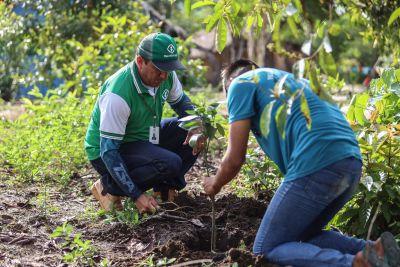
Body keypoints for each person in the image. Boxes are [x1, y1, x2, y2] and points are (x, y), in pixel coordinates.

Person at [203, 59, 400, 267]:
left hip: (318, 160)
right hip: (351, 162)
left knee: (266, 248)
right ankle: (377, 251)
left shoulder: (239, 84)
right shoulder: (291, 81)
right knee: (304, 236)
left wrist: (215, 183)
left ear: (230, 84)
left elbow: (234, 159)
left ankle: (353, 264)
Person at [85, 32, 204, 214]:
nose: (164, 76)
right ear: (140, 61)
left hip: (145, 135)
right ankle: (108, 187)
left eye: (169, 69)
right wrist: (137, 195)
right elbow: (109, 151)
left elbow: (181, 102)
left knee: (194, 127)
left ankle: (163, 191)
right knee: (170, 163)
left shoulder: (166, 76)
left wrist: (196, 124)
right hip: (110, 150)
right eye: (159, 69)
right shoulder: (118, 94)